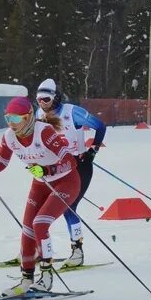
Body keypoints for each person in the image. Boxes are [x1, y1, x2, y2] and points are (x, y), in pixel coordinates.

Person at [0, 96, 80, 294]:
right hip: (40, 184)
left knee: (41, 223)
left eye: (16, 119)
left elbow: (70, 161)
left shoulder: (44, 132)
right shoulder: (8, 137)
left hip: (66, 181)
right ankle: (26, 279)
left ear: (29, 116)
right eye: (8, 119)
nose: (11, 124)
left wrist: (47, 171)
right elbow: (1, 164)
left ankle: (46, 275)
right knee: (28, 229)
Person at [35, 78, 107, 267]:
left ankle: (77, 251)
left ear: (55, 98)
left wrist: (93, 150)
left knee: (69, 206)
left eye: (46, 99)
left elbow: (100, 126)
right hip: (54, 168)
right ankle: (37, 248)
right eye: (39, 99)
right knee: (39, 206)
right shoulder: (38, 114)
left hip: (79, 164)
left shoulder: (72, 112)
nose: (42, 104)